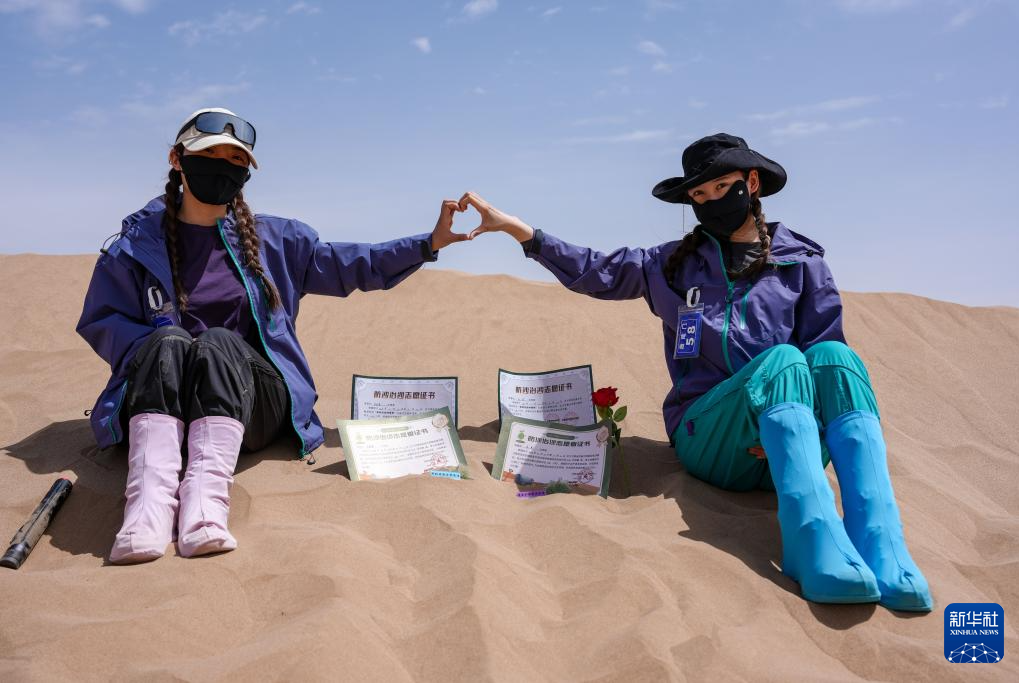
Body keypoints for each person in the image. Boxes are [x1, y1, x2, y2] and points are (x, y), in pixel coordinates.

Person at [459, 133, 932, 611]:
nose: (710, 202)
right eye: (699, 195)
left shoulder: (804, 263)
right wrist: (522, 232)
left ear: (751, 183)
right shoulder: (670, 265)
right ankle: (815, 551)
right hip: (709, 435)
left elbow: (824, 361)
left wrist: (797, 427)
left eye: (721, 188)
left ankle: (884, 548)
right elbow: (595, 270)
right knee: (784, 361)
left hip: (790, 447)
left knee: (836, 357)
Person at [77, 108, 470, 564]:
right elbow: (103, 320)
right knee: (167, 342)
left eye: (236, 160)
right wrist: (170, 351)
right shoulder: (136, 245)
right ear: (177, 159)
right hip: (164, 397)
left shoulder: (276, 241)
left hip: (251, 405)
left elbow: (353, 265)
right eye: (210, 155)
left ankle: (205, 507)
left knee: (219, 343)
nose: (223, 167)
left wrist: (427, 244)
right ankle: (146, 511)